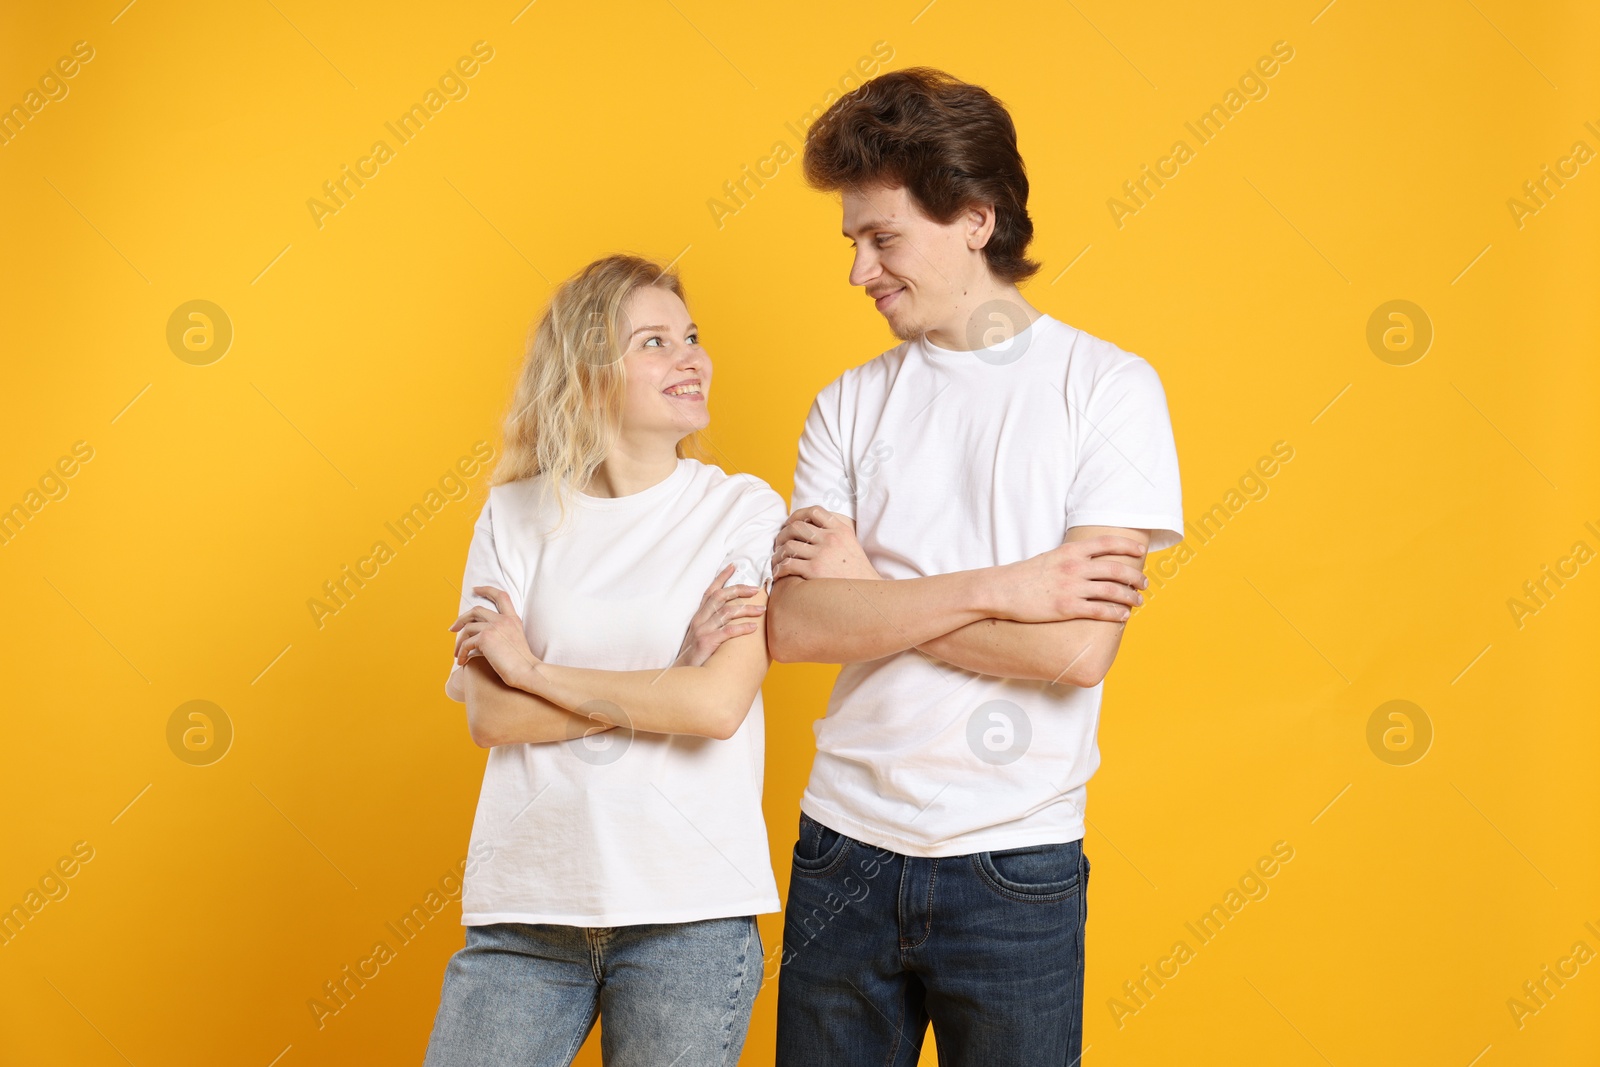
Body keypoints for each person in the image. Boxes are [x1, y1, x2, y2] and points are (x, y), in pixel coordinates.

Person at [765, 68, 1185, 1066]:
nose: (858, 270)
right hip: (841, 849)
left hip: (1014, 862)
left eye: (882, 238)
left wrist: (869, 588)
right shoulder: (846, 403)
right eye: (851, 241)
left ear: (974, 219)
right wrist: (1002, 589)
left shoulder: (1107, 388)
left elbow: (1078, 648)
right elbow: (794, 628)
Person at [422, 253, 784, 1067]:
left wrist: (536, 668)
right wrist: (669, 675)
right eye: (654, 342)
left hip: (688, 911)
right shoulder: (514, 513)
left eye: (691, 336)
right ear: (587, 372)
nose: (690, 357)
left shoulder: (742, 509)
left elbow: (714, 708)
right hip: (526, 908)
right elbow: (491, 715)